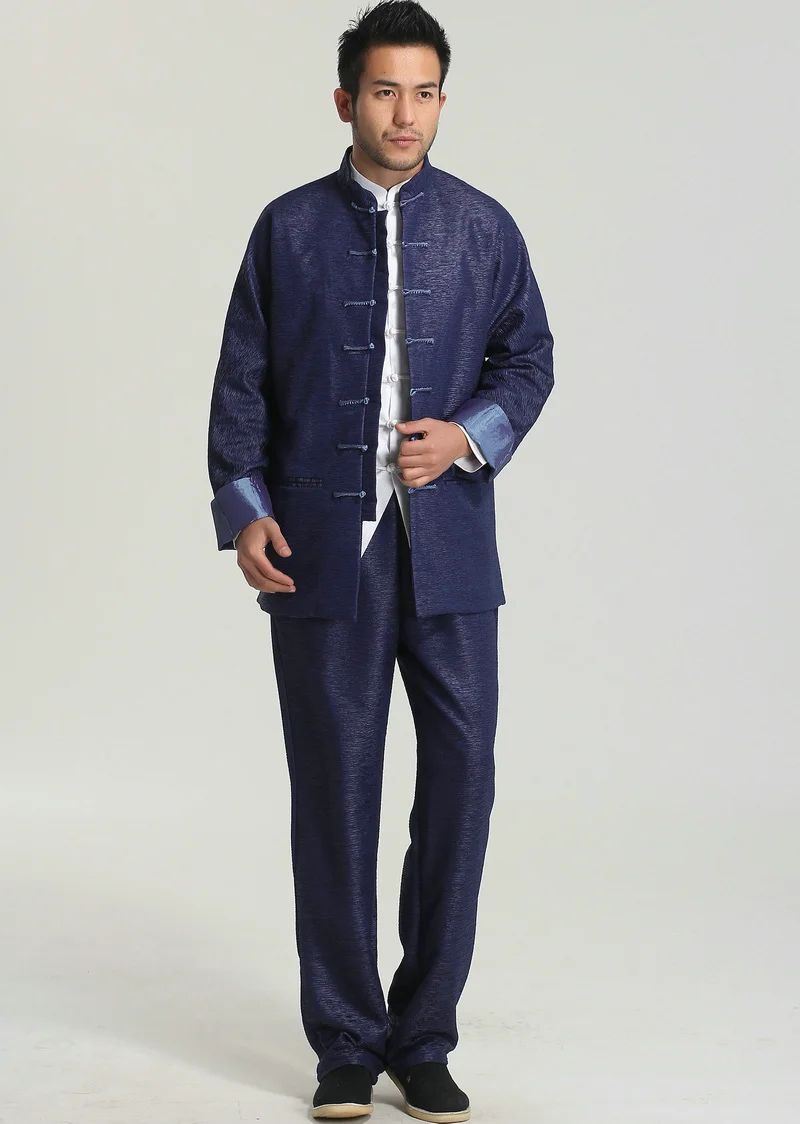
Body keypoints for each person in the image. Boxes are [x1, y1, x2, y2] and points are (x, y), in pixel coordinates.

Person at [207, 1, 554, 1118]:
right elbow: (241, 382)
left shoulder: (484, 227)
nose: (406, 113)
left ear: (443, 100)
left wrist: (467, 436)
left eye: (424, 91)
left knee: (462, 784)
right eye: (385, 90)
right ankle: (347, 1045)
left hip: (449, 553)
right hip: (323, 552)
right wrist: (244, 511)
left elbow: (528, 360)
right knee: (336, 793)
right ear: (346, 99)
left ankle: (425, 1035)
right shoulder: (287, 228)